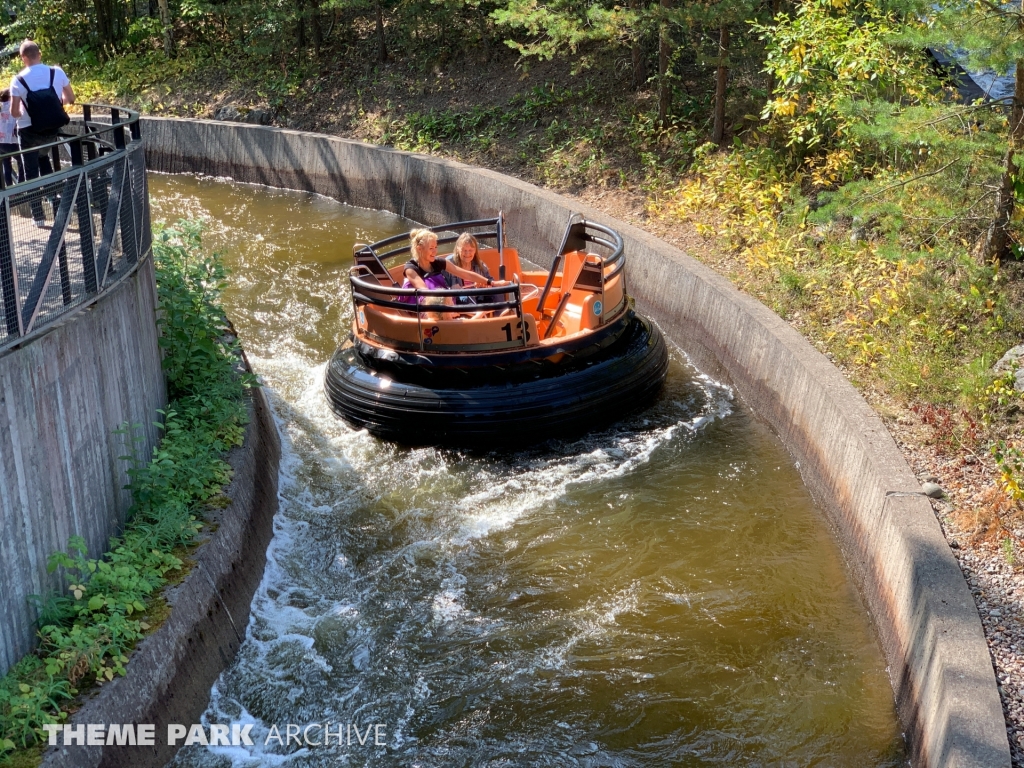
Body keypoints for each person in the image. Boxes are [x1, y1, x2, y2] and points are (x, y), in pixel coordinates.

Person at [10, 40, 74, 226]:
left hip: (29, 131)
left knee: (31, 172)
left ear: (23, 58)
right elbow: (70, 98)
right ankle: (58, 210)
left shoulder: (18, 80)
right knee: (45, 160)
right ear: (40, 53)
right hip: (51, 130)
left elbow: (15, 112)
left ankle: (38, 218)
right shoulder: (56, 72)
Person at [400, 228, 501, 299]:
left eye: (436, 247)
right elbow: (425, 291)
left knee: (497, 292)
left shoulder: (438, 262)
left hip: (442, 302)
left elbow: (464, 273)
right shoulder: (410, 268)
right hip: (427, 307)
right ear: (419, 249)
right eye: (431, 248)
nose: (435, 251)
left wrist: (491, 282)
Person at [445, 232, 494, 305]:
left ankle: (503, 313)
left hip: (480, 298)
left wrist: (485, 285)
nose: (467, 254)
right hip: (458, 300)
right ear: (458, 249)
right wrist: (453, 288)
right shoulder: (448, 264)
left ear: (475, 250)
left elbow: (490, 282)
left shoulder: (480, 265)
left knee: (498, 290)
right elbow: (442, 285)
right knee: (469, 295)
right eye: (464, 250)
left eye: (470, 250)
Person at [0, 89, 23, 188]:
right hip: (11, 141)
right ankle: (20, 186)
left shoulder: (1, 106)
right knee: (23, 161)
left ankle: (9, 189)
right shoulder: (14, 105)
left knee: (6, 165)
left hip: (1, 142)